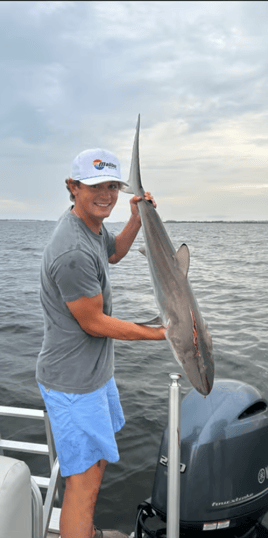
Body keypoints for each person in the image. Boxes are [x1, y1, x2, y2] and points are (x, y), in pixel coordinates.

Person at [36, 148, 166, 538]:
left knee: (95, 468)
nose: (105, 194)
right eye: (95, 186)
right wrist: (163, 332)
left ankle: (88, 533)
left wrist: (137, 219)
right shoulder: (72, 250)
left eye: (111, 185)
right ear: (73, 187)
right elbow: (94, 324)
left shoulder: (89, 227)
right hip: (73, 384)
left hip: (93, 378)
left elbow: (115, 253)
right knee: (83, 484)